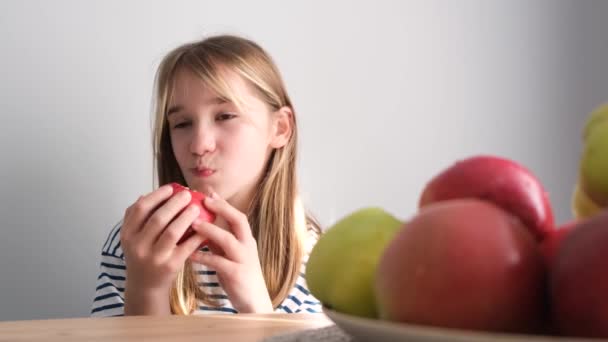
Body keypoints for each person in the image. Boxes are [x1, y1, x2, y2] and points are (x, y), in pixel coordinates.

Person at [91, 34, 323, 316]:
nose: (199, 145)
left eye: (225, 116)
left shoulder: (312, 253)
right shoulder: (136, 242)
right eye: (182, 123)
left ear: (280, 128)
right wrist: (147, 289)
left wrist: (256, 307)